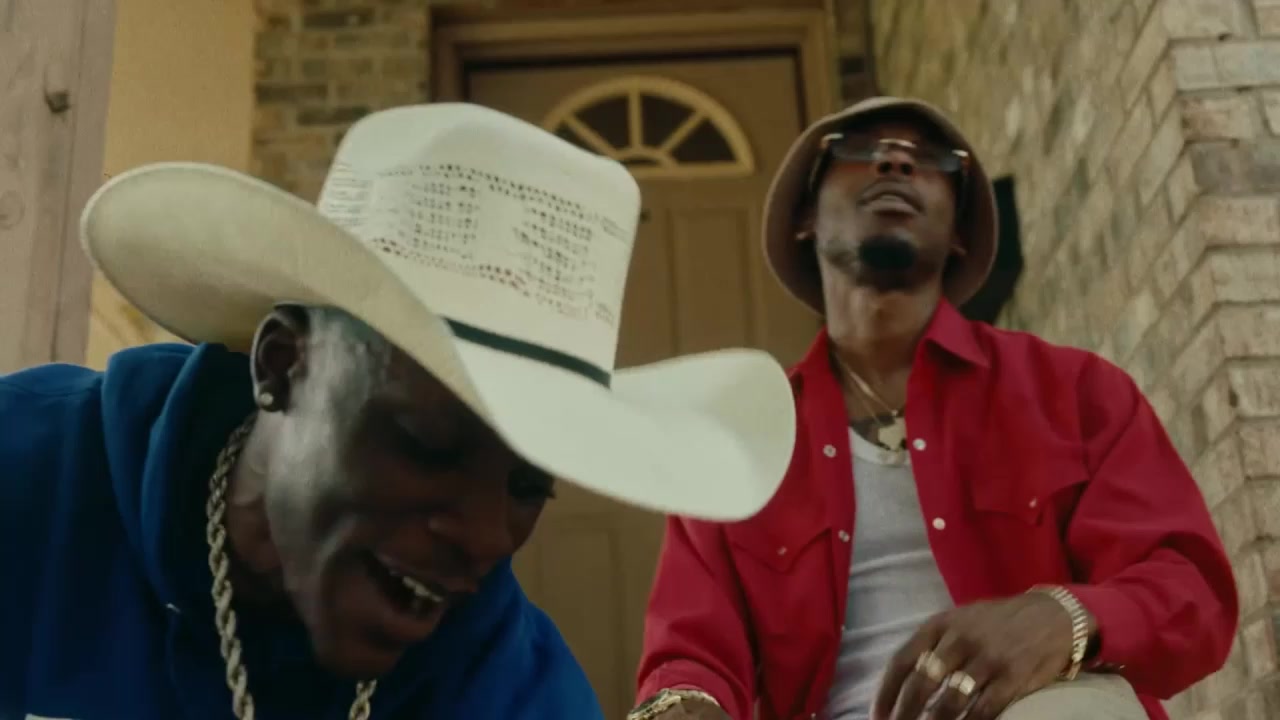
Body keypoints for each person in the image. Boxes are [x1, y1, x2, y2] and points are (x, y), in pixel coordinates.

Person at [0, 103, 797, 720]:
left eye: (527, 487)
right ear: (282, 367)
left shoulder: (515, 687)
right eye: (425, 444)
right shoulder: (26, 474)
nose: (485, 538)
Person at [630, 96, 1238, 720]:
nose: (896, 162)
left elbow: (1191, 595)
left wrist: (1064, 617)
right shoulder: (737, 441)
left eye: (932, 160)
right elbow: (691, 653)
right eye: (859, 149)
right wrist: (683, 705)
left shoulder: (1076, 392)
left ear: (959, 233)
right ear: (806, 215)